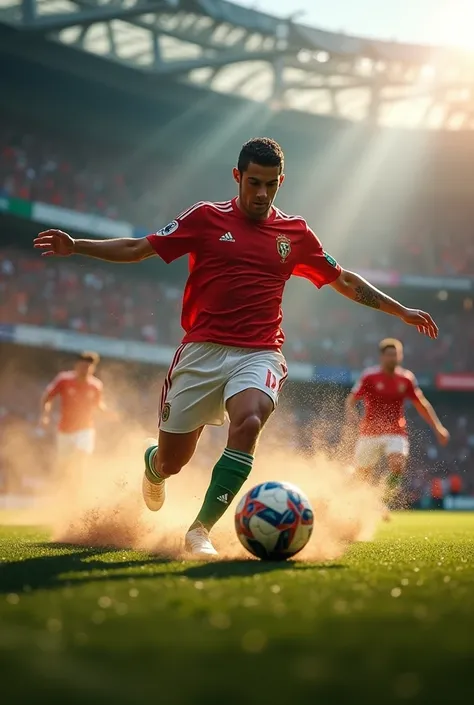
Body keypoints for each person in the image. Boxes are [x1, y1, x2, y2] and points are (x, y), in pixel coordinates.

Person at [34, 137, 439, 557]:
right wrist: (77, 246)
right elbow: (139, 249)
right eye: (253, 183)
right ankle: (154, 466)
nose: (261, 194)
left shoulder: (294, 234)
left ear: (281, 182)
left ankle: (199, 529)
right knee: (174, 461)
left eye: (270, 185)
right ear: (237, 177)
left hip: (259, 352)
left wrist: (401, 310)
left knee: (248, 422)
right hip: (200, 354)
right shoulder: (206, 218)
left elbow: (345, 280)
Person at [344, 338, 449, 506]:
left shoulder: (406, 378)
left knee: (397, 464)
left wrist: (438, 427)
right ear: (382, 357)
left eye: (396, 355)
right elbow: (351, 400)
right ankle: (357, 501)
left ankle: (381, 501)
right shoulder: (369, 376)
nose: (393, 358)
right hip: (370, 432)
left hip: (396, 431)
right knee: (360, 477)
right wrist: (351, 413)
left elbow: (422, 405)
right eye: (389, 355)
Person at [40, 351, 105, 472]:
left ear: (92, 368)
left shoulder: (96, 385)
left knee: (82, 456)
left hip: (85, 429)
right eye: (82, 366)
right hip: (65, 430)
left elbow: (98, 404)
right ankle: (65, 487)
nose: (84, 369)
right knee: (64, 465)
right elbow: (47, 397)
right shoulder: (63, 380)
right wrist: (45, 415)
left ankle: (80, 485)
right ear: (77, 365)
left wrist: (107, 412)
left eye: (88, 367)